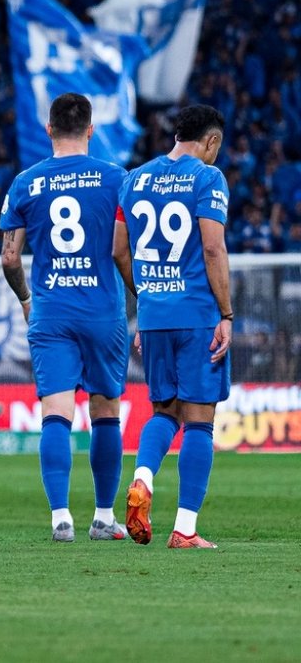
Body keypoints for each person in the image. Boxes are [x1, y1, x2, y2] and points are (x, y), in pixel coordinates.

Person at [0, 93, 130, 542]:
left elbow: (10, 258)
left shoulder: (25, 183)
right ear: (91, 130)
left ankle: (60, 519)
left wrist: (26, 301)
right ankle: (103, 515)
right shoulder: (117, 178)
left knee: (56, 413)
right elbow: (122, 246)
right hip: (102, 311)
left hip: (51, 311)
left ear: (49, 128)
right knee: (105, 410)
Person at [115, 104, 231, 549]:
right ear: (211, 141)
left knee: (164, 411)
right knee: (200, 423)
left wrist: (146, 300)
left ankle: (143, 477)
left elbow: (119, 251)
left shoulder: (135, 179)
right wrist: (227, 315)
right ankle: (184, 529)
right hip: (199, 315)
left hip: (155, 315)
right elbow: (213, 249)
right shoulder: (207, 178)